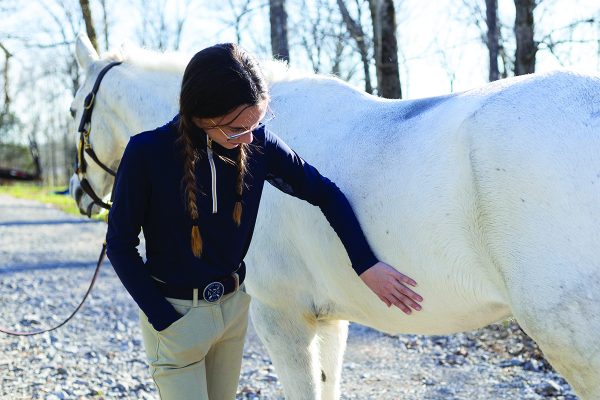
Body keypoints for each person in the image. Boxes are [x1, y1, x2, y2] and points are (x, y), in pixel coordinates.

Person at [105, 43, 423, 400]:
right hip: (174, 315)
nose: (249, 137)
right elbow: (119, 244)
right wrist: (163, 318)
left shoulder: (257, 143)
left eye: (256, 123)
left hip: (231, 312)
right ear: (199, 115)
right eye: (236, 128)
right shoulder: (146, 153)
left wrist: (366, 265)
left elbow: (324, 192)